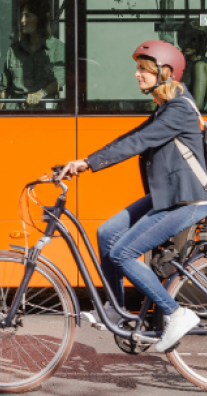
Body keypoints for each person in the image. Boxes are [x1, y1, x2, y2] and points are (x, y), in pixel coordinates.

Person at [58, 40, 207, 352]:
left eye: (144, 69)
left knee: (123, 253)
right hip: (167, 195)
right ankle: (115, 307)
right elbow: (130, 137)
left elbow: (138, 142)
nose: (137, 75)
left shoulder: (179, 108)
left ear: (165, 72)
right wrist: (83, 161)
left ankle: (177, 314)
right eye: (138, 69)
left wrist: (87, 164)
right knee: (107, 232)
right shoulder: (167, 107)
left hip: (188, 198)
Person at [0, 0, 64, 109]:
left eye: (27, 16)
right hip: (15, 112)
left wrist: (40, 93)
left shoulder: (57, 47)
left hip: (44, 111)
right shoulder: (14, 49)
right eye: (21, 16)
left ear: (40, 18)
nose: (22, 20)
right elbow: (4, 89)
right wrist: (0, 117)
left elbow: (59, 80)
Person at [179, 23, 207, 109]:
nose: (186, 43)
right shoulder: (183, 63)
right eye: (183, 38)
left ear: (200, 42)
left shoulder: (200, 66)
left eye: (192, 40)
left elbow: (197, 106)